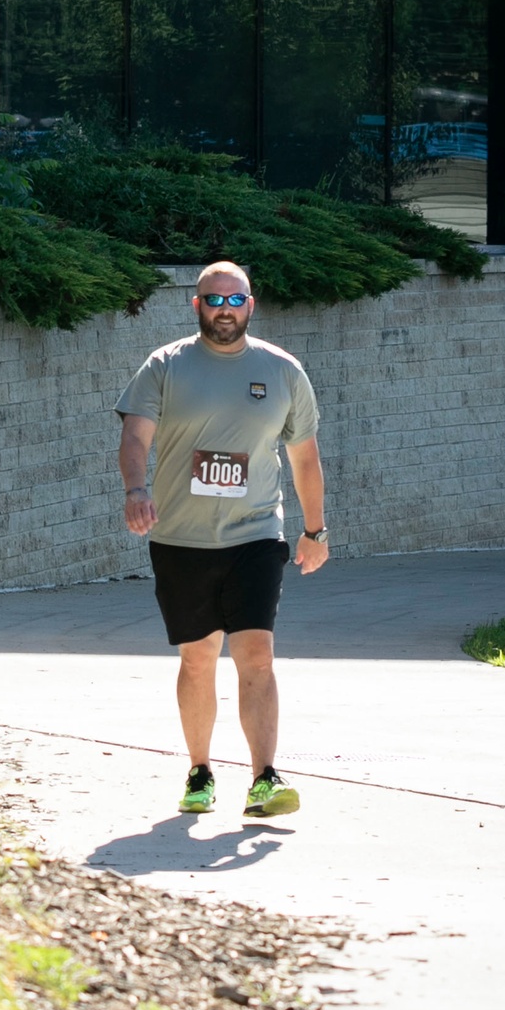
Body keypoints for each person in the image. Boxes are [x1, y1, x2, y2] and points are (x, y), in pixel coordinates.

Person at [115, 261, 329, 822]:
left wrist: (314, 531)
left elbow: (304, 458)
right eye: (214, 300)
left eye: (236, 301)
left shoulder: (282, 371)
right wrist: (136, 489)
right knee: (198, 658)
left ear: (251, 305)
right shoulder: (165, 366)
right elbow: (135, 436)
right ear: (197, 305)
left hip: (255, 534)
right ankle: (200, 772)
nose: (225, 310)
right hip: (181, 538)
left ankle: (264, 777)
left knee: (256, 653)